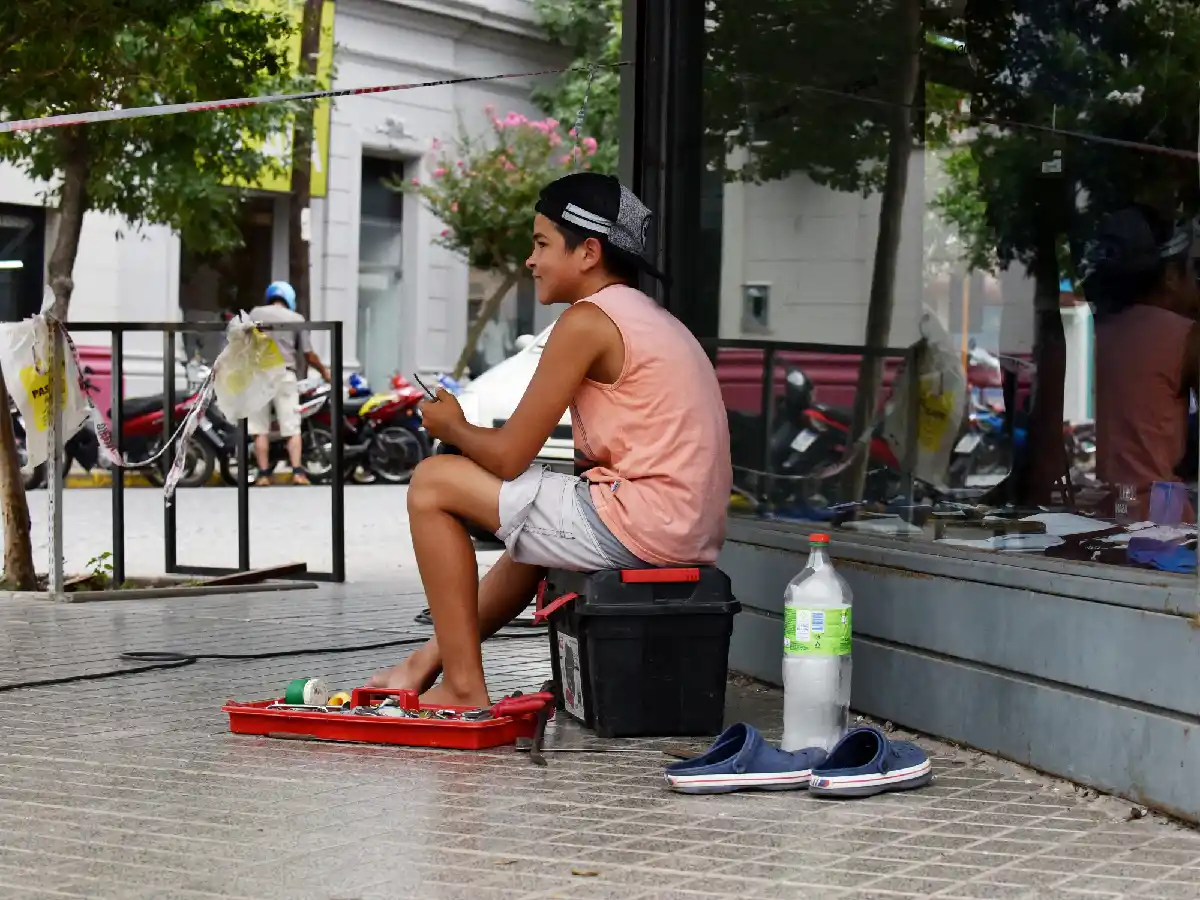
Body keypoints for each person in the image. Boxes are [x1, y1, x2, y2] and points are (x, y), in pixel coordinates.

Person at [368, 172, 732, 707]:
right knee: (529, 532)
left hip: (644, 526)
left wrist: (452, 428)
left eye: (541, 244)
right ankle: (422, 665)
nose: (529, 260)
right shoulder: (647, 315)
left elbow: (512, 455)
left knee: (432, 482)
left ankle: (464, 686)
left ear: (587, 251)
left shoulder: (588, 320)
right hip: (678, 529)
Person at [1089, 205, 1199, 523]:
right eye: (1193, 270)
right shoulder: (1186, 335)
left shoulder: (1104, 332)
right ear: (1170, 277)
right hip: (1161, 512)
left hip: (1111, 510)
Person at [247, 281, 332, 486]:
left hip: (259, 375)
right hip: (284, 375)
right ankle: (297, 472)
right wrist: (325, 372)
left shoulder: (255, 313)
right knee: (292, 427)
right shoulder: (296, 319)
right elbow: (308, 354)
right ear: (289, 299)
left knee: (260, 429)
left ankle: (264, 474)